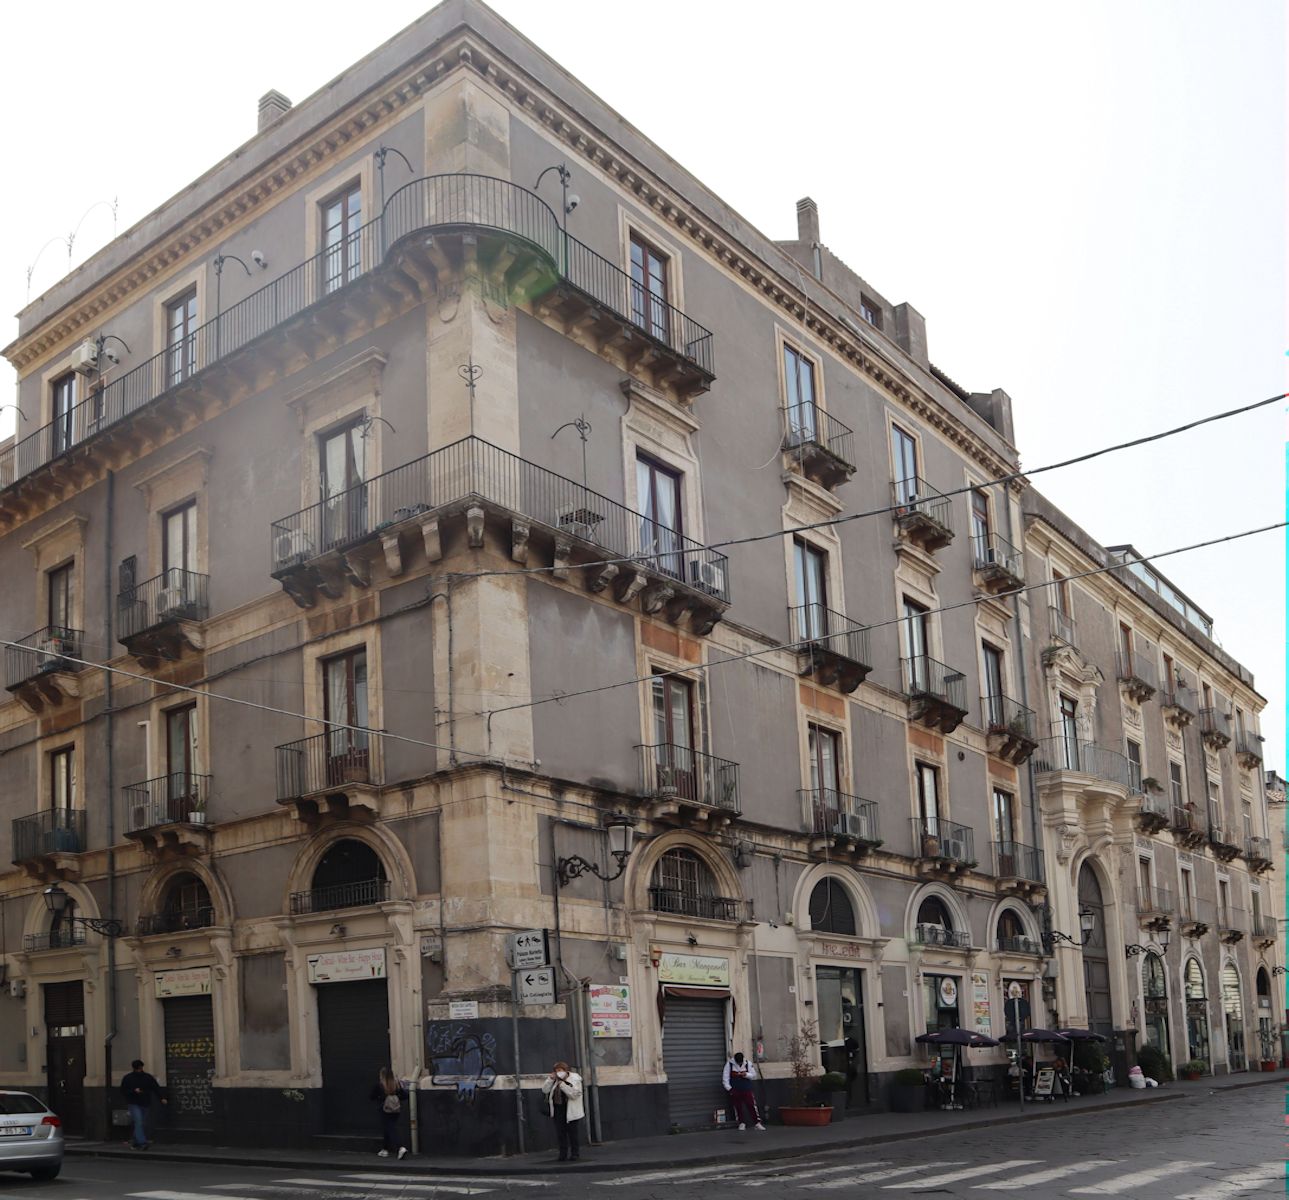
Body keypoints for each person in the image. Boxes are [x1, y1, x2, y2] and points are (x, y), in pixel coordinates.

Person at [541, 1061, 584, 1162]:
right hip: (558, 1109)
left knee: (573, 1133)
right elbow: (545, 1090)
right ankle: (562, 1154)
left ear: (565, 1070)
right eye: (556, 1070)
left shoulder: (574, 1079)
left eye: (560, 1070)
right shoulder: (555, 1080)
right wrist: (550, 1080)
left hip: (571, 1110)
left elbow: (574, 1094)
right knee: (561, 1133)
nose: (558, 1072)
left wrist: (563, 1085)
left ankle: (575, 1154)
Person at [119, 1059, 166, 1150]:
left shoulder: (128, 1078)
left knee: (140, 1123)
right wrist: (161, 1098)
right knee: (139, 1122)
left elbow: (123, 1090)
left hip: (139, 1102)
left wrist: (161, 1097)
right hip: (138, 1103)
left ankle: (135, 1142)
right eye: (139, 1068)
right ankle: (142, 1142)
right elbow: (156, 1088)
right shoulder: (146, 1077)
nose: (139, 1069)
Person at [370, 1066, 408, 1159]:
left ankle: (400, 1147)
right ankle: (385, 1149)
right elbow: (405, 1095)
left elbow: (371, 1096)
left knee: (391, 1129)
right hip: (395, 1110)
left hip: (384, 1109)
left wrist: (380, 1098)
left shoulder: (380, 1085)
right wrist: (396, 1097)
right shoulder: (396, 1084)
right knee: (388, 1128)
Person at [722, 1052, 765, 1130]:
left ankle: (757, 1123)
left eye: (741, 1062)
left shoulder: (748, 1063)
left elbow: (753, 1075)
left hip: (746, 1088)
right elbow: (725, 1078)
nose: (739, 1064)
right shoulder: (729, 1065)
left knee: (751, 1105)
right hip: (735, 1089)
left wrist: (746, 1075)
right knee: (738, 1107)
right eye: (738, 1062)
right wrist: (730, 1089)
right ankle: (741, 1123)